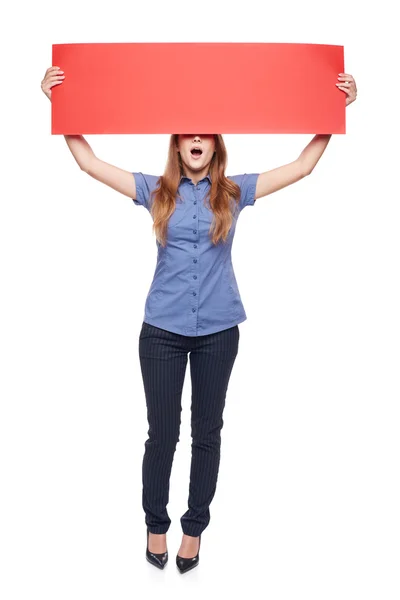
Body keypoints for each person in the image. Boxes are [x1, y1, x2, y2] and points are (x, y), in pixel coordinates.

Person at [41, 66, 357, 574]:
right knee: (162, 433)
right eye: (187, 131)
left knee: (207, 433)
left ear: (214, 144)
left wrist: (334, 113)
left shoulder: (232, 192)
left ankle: (193, 530)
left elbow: (300, 167)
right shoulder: (154, 191)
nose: (195, 137)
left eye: (204, 132)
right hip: (161, 332)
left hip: (218, 332)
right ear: (177, 143)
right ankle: (155, 523)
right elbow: (88, 163)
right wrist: (59, 104)